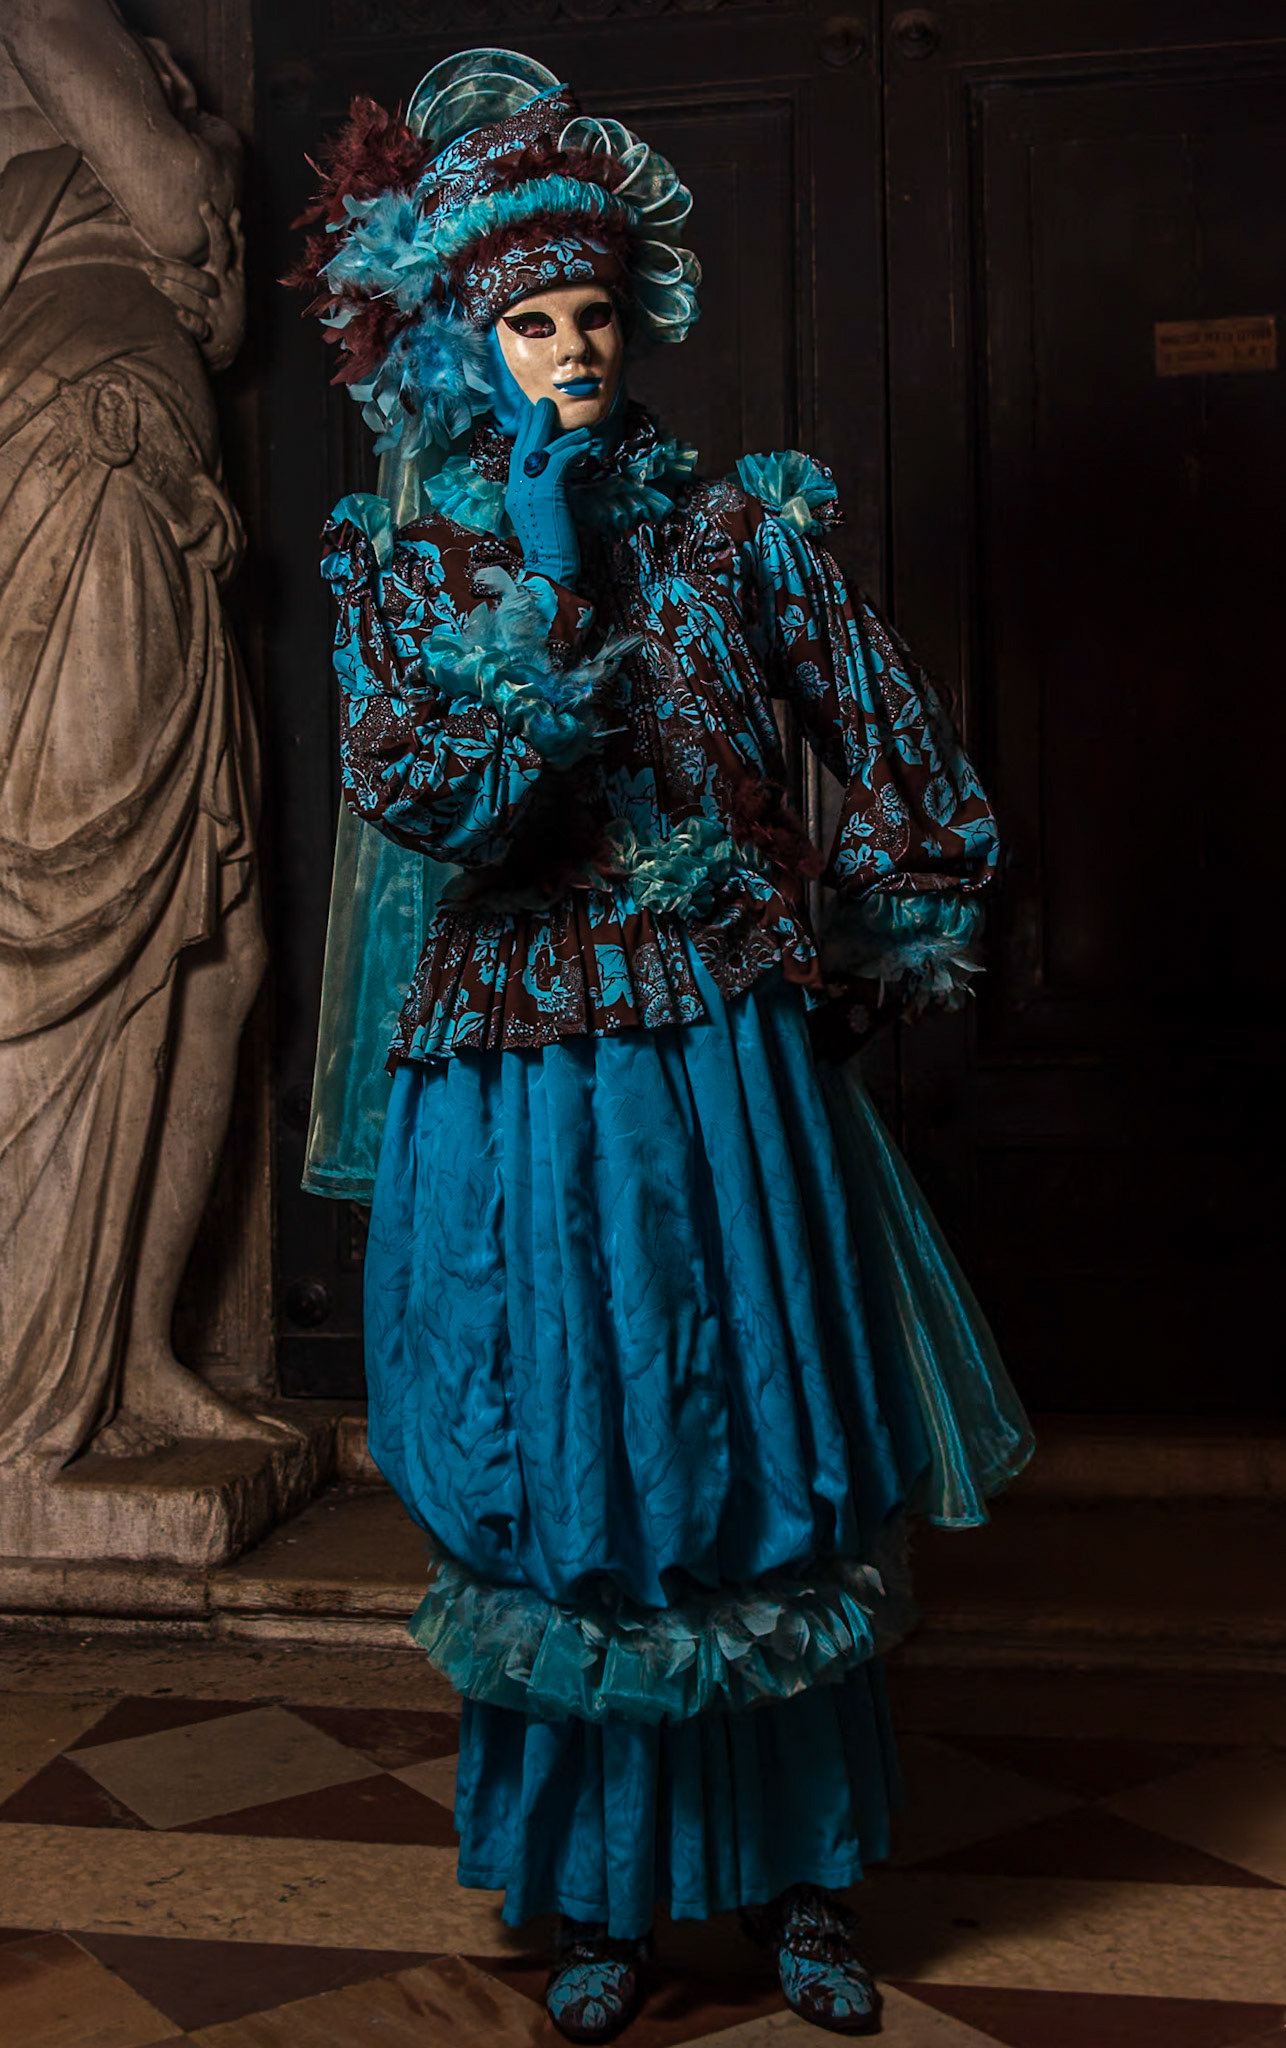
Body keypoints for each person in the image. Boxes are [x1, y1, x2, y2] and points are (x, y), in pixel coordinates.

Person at [295, 48, 1032, 2042]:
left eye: (593, 315)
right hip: (516, 1079)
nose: (572, 352)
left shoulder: (731, 532)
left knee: (755, 1445)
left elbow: (900, 763)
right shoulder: (407, 570)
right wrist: (546, 582)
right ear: (464, 342)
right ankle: (600, 1900)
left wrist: (848, 970)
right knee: (571, 1462)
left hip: (717, 1064)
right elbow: (435, 804)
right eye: (531, 322)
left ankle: (803, 1885)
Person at [0, 2, 270, 1469]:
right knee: (77, 929)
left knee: (221, 952)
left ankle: (136, 1352)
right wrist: (197, 161)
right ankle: (38, 1365)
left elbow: (224, 323)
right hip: (72, 466)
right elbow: (173, 213)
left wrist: (202, 180)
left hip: (160, 491)